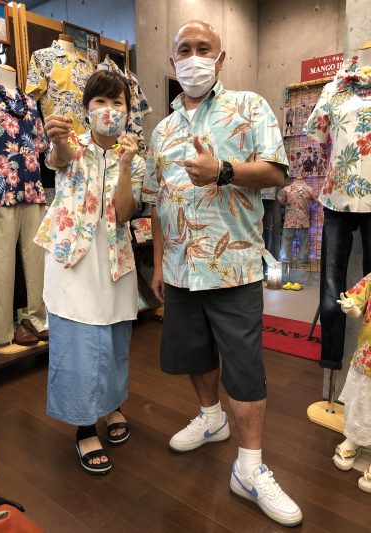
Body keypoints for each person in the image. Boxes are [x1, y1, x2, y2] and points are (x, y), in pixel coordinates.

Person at [143, 20, 302, 527]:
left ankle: (249, 468)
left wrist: (223, 171)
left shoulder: (250, 107)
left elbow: (277, 172)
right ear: (172, 61)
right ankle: (211, 418)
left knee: (245, 367)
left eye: (203, 48)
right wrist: (159, 264)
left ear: (221, 56)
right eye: (184, 50)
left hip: (233, 265)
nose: (193, 57)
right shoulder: (162, 131)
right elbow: (157, 201)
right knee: (194, 354)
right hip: (179, 268)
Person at [34, 70, 145, 474]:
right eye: (100, 102)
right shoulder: (72, 145)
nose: (109, 110)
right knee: (78, 340)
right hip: (73, 258)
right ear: (86, 109)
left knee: (114, 337)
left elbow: (125, 212)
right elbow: (58, 159)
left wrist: (126, 164)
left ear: (128, 112)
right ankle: (84, 426)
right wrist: (58, 140)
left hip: (115, 258)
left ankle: (112, 404)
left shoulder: (135, 156)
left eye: (118, 103)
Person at [335, 277, 371, 493]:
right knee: (360, 401)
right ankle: (355, 437)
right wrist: (350, 308)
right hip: (367, 355)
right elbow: (355, 307)